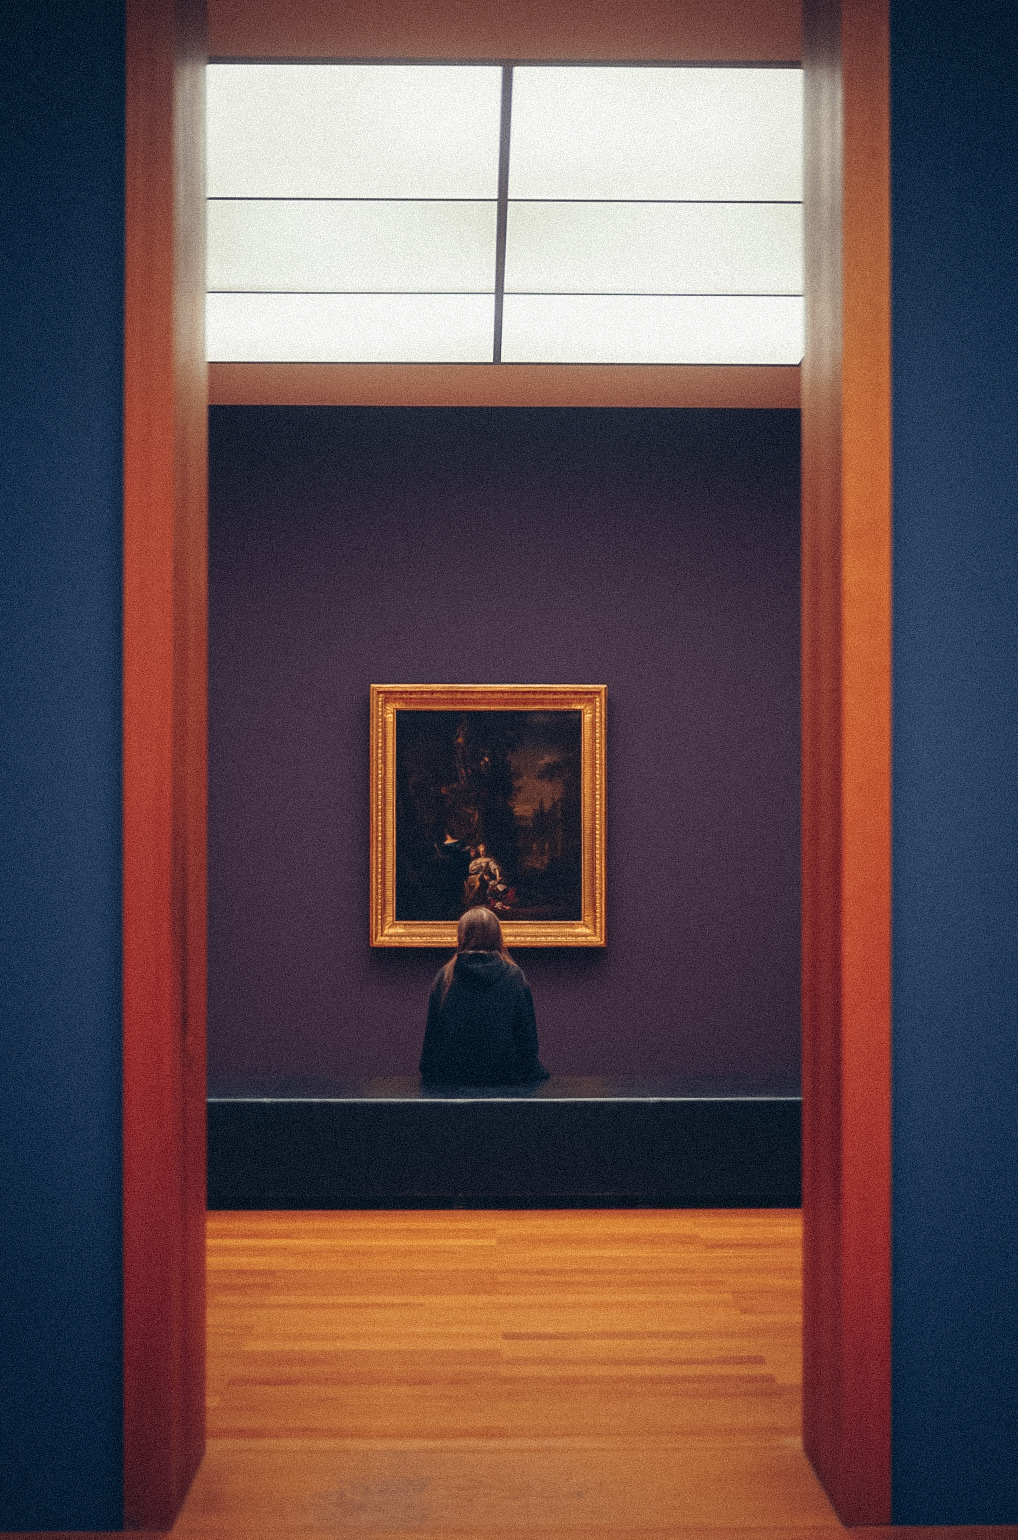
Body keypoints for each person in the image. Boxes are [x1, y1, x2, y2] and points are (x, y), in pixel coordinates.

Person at [420, 906, 549, 1088]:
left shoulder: (446, 977)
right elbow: (527, 1039)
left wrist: (429, 1074)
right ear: (497, 936)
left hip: (452, 1077)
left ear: (462, 936)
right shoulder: (514, 976)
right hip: (506, 1077)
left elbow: (433, 1039)